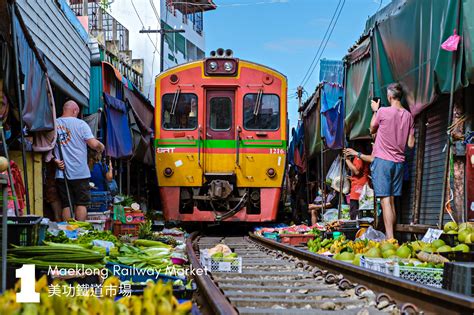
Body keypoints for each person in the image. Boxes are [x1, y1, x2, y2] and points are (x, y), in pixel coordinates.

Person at [369, 83, 415, 239]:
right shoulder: (408, 116)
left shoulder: (383, 111)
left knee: (385, 200)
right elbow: (410, 144)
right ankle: (392, 237)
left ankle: (390, 238)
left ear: (389, 97)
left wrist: (375, 111)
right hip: (399, 162)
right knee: (392, 201)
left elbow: (371, 129)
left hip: (383, 160)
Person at [54, 100, 104, 221]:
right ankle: (80, 233)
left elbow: (47, 145)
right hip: (80, 172)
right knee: (81, 204)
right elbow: (93, 144)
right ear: (75, 111)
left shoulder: (53, 124)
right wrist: (101, 146)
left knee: (66, 204)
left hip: (62, 173)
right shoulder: (81, 124)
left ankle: (67, 232)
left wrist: (55, 160)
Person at [343, 143, 370, 220]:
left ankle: (355, 230)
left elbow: (356, 171)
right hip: (361, 187)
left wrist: (347, 160)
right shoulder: (363, 156)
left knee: (354, 214)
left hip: (358, 189)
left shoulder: (358, 158)